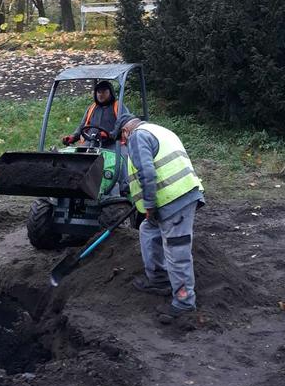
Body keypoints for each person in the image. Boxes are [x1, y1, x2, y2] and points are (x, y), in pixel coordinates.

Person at [121, 117, 205, 325]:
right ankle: (159, 279)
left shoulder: (137, 136)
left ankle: (185, 302)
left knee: (176, 251)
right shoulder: (159, 130)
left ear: (125, 131)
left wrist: (149, 205)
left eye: (122, 139)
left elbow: (147, 173)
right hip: (173, 199)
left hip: (175, 201)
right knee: (148, 230)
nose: (123, 143)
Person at [62, 80, 131, 147]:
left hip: (112, 144)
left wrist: (110, 135)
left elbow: (126, 126)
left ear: (110, 93)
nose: (101, 95)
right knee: (77, 156)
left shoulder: (118, 107)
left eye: (104, 92)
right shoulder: (92, 108)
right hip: (91, 143)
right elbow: (82, 126)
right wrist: (73, 137)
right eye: (99, 92)